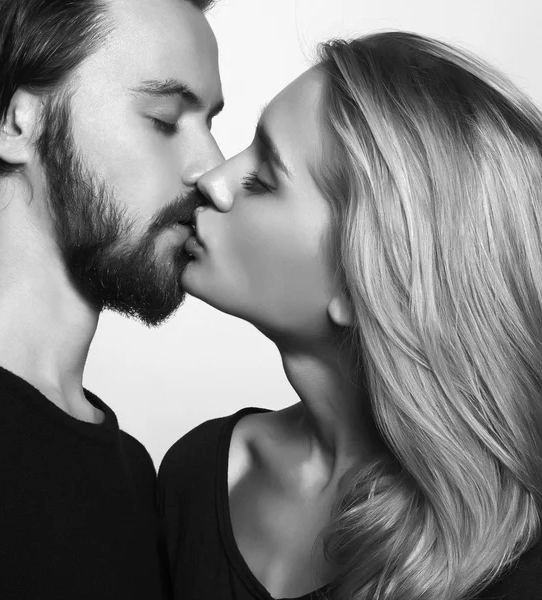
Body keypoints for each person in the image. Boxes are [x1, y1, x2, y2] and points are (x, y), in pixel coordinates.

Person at [158, 31, 542, 600]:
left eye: (263, 180)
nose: (211, 181)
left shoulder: (517, 566)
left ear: (367, 277)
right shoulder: (198, 474)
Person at [0, 0, 223, 597]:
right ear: (12, 124)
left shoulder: (134, 474)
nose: (211, 169)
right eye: (165, 120)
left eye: (211, 124)